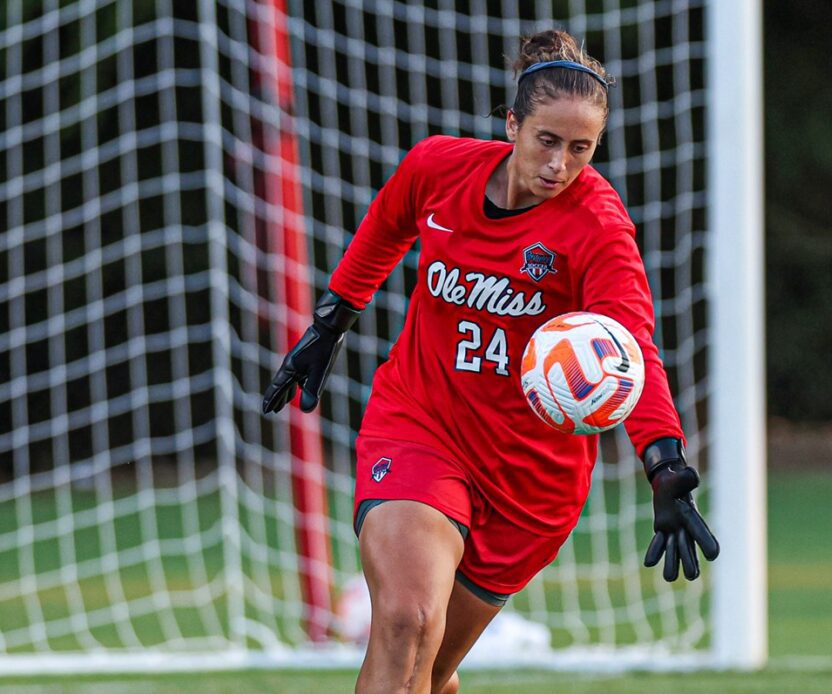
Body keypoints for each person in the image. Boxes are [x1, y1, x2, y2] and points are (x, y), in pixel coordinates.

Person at [262, 29, 719, 694]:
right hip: (423, 426)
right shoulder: (438, 169)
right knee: (406, 620)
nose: (560, 163)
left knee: (432, 673)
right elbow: (388, 226)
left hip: (532, 482)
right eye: (547, 140)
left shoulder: (597, 225)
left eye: (580, 148)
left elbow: (632, 346)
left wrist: (664, 463)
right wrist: (331, 321)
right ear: (512, 124)